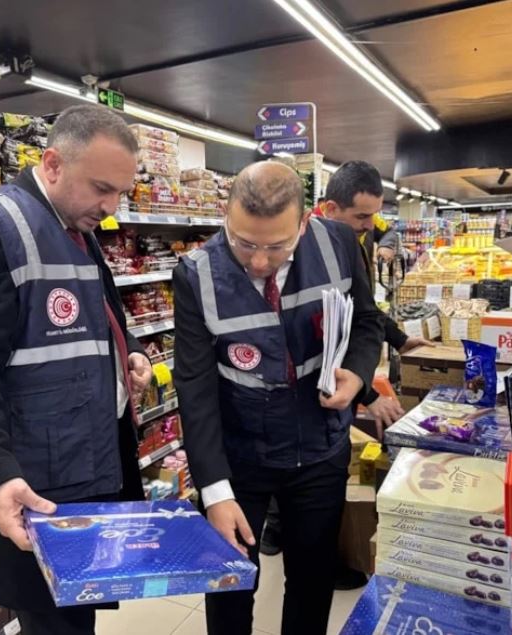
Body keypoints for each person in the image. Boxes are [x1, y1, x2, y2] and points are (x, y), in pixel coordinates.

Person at [0, 105, 152, 635]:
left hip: (88, 462)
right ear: (53, 164)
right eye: (102, 188)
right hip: (39, 484)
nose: (111, 207)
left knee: (77, 617)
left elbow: (93, 313)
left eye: (121, 192)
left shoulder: (76, 223)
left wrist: (127, 350)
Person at [173, 161, 385, 635]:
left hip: (320, 446)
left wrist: (357, 374)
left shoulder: (339, 244)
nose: (258, 262)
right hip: (240, 454)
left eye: (277, 246)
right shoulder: (195, 274)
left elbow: (367, 322)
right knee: (229, 582)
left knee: (312, 579)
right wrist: (214, 491)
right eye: (244, 242)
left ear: (305, 222)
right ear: (226, 217)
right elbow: (195, 385)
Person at [323, 160, 433, 434]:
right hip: (324, 393)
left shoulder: (352, 236)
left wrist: (400, 340)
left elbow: (362, 308)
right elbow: (321, 341)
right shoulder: (312, 254)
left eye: (374, 215)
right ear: (331, 209)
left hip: (346, 390)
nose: (370, 225)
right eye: (362, 216)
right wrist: (368, 395)